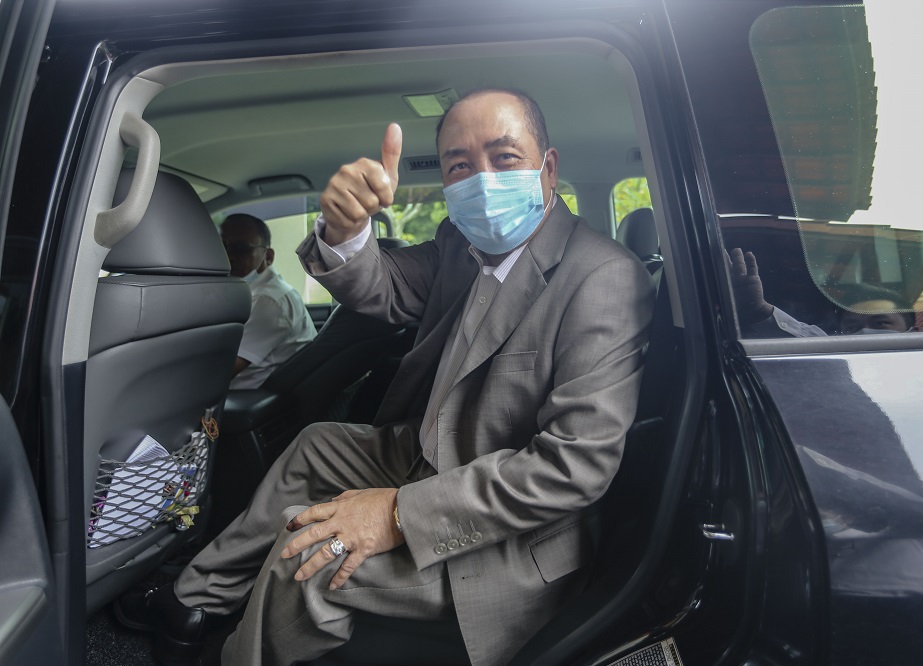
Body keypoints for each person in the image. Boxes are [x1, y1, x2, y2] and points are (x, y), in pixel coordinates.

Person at [116, 88, 655, 666]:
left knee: (311, 559)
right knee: (318, 445)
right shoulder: (461, 242)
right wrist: (346, 231)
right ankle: (195, 601)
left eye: (504, 158)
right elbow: (386, 287)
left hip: (515, 536)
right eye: (460, 165)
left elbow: (574, 467)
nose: (483, 179)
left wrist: (397, 514)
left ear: (547, 168)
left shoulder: (603, 277)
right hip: (434, 454)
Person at [727, 247, 917, 337]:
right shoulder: (832, 362)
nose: (864, 332)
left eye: (881, 323)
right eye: (851, 328)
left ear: (915, 334)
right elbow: (810, 342)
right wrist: (758, 310)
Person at [221, 214, 317, 389]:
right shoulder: (256, 292)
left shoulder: (269, 301)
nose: (228, 256)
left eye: (240, 248)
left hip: (242, 403)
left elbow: (220, 371)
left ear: (268, 256)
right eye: (221, 247)